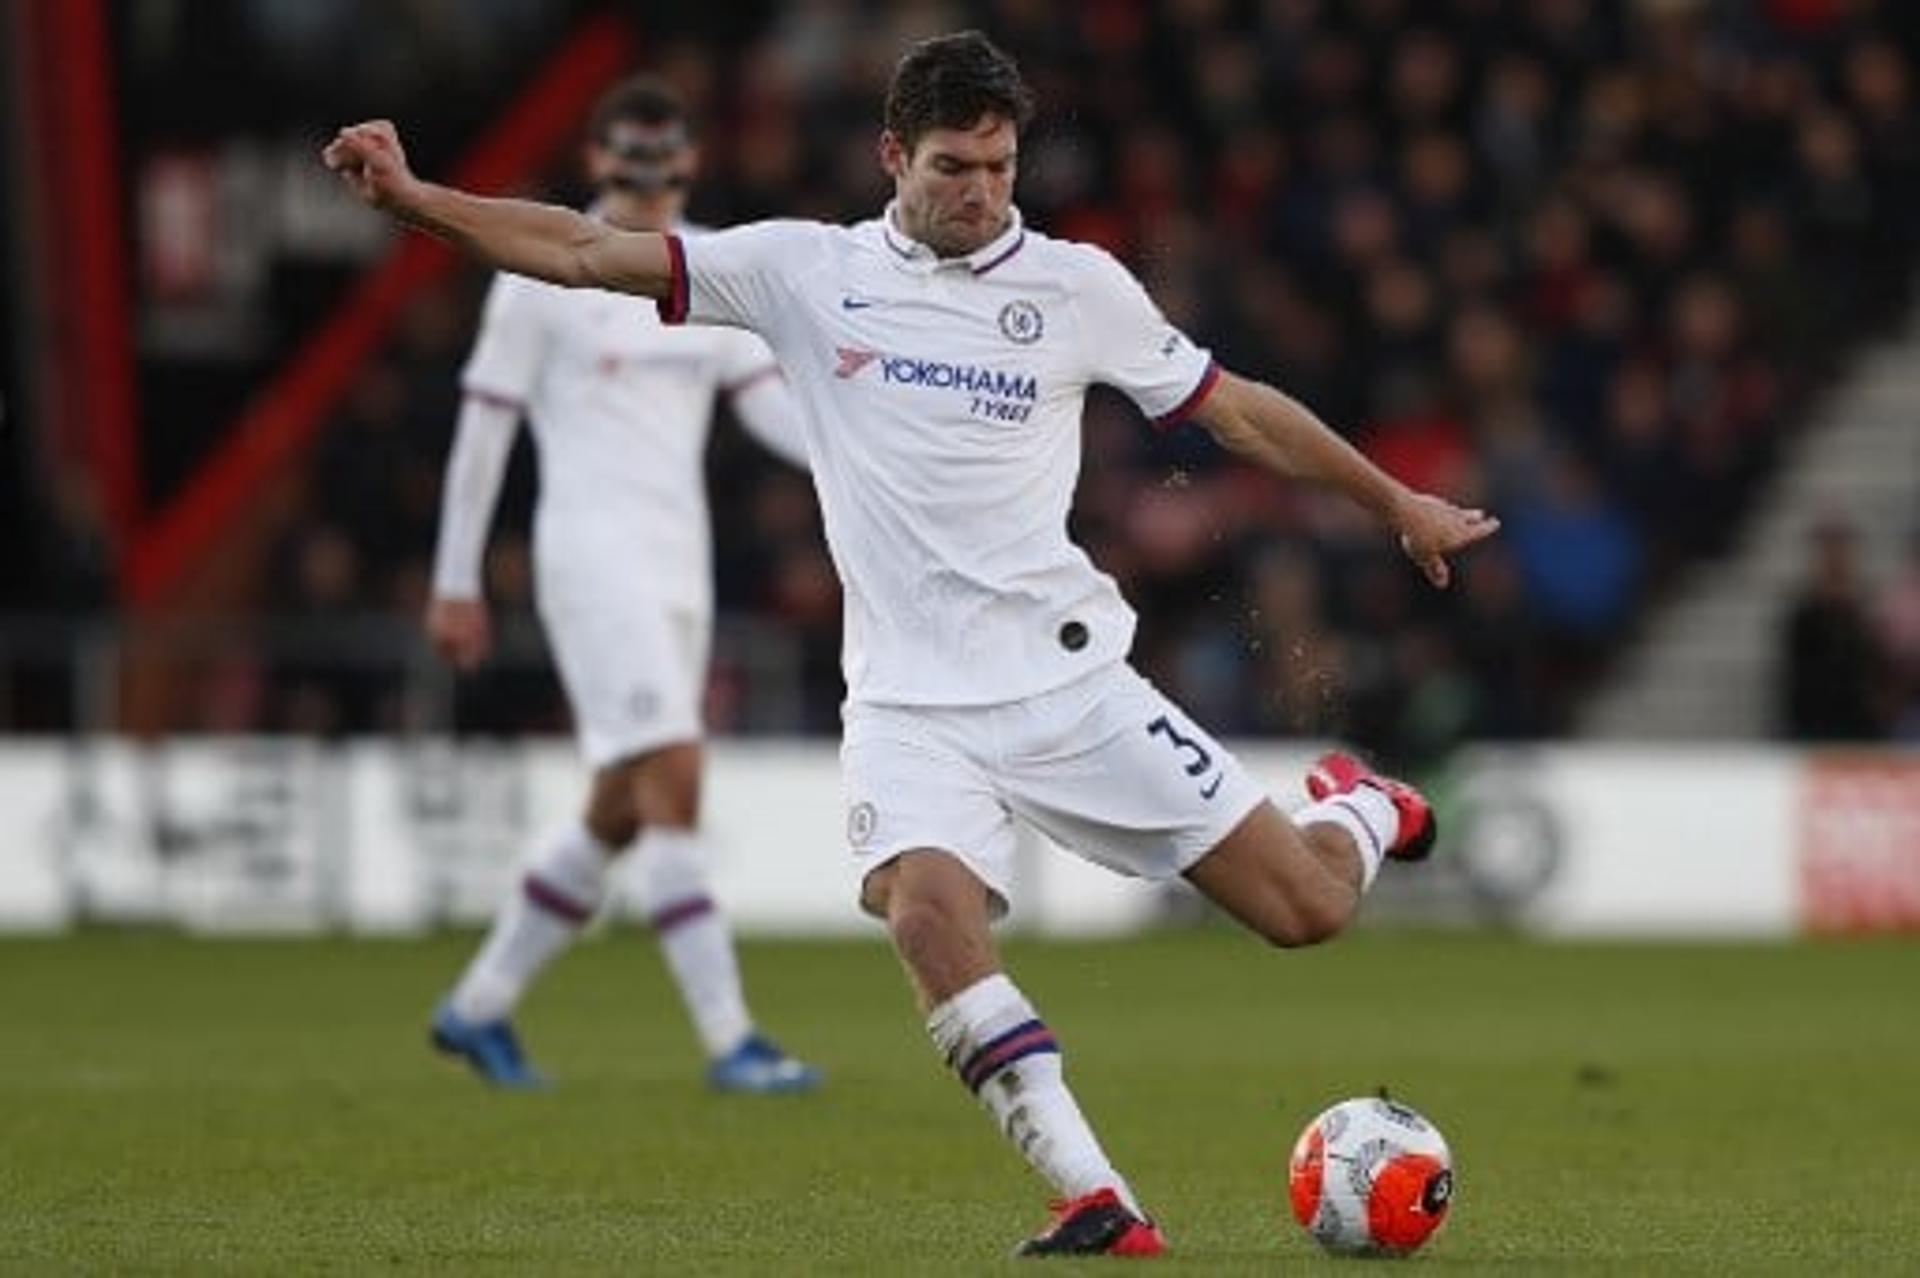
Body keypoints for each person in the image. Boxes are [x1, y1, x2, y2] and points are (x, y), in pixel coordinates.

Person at [325, 31, 1496, 1254]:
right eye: (952, 167)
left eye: (998, 166)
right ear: (893, 154)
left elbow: (1240, 413)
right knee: (927, 917)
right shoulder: (800, 272)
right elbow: (576, 246)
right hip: (909, 708)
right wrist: (415, 202)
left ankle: (1359, 807)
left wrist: (1393, 503)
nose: (981, 192)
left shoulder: (1078, 288)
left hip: (1068, 681)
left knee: (1306, 912)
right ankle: (1098, 1196)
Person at [423, 76, 819, 1095]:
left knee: (618, 805)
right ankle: (732, 1039)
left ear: (691, 162)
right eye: (630, 159)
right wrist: (457, 576)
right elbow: (484, 425)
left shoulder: (711, 273)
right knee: (672, 778)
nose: (649, 178)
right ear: (597, 162)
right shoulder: (542, 273)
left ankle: (476, 1009)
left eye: (666, 157)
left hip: (676, 565)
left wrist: (852, 456)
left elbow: (765, 405)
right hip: (590, 558)